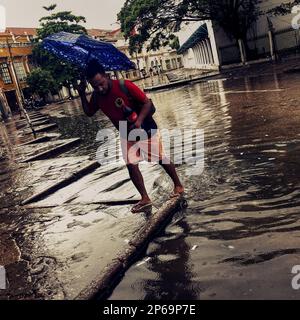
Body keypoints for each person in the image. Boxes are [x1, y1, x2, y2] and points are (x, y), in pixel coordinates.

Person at [77, 59, 184, 213]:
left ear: (106, 76)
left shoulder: (124, 85)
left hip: (144, 125)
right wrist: (81, 93)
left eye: (101, 83)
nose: (100, 88)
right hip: (125, 131)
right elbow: (89, 112)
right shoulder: (97, 96)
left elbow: (146, 103)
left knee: (159, 158)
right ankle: (145, 198)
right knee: (131, 165)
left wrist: (139, 120)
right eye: (95, 86)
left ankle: (178, 185)